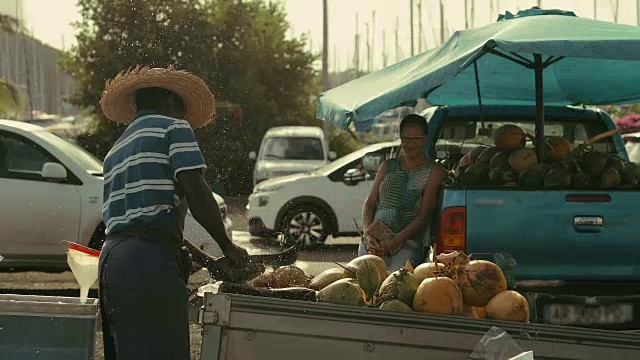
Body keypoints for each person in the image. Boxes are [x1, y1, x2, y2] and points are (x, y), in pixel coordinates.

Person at [98, 66, 249, 360]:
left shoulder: (116, 150)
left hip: (112, 262)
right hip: (147, 263)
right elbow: (196, 190)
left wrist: (204, 259)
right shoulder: (172, 128)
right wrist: (227, 245)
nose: (183, 115)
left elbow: (140, 221)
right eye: (181, 106)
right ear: (168, 100)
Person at [359, 114, 445, 271]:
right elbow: (370, 202)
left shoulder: (434, 171)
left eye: (417, 139)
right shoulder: (387, 166)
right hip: (375, 241)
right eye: (406, 139)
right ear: (400, 138)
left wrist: (395, 242)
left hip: (408, 242)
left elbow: (424, 215)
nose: (411, 144)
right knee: (365, 285)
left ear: (425, 139)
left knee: (396, 287)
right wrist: (367, 235)